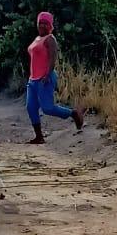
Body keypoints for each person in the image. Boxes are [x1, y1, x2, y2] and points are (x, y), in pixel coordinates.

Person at [25, 10, 84, 143]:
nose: (42, 26)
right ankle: (39, 137)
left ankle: (73, 113)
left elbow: (53, 58)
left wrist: (47, 74)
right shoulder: (37, 38)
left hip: (44, 78)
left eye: (45, 24)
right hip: (33, 79)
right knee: (30, 107)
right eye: (40, 23)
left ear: (50, 25)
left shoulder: (50, 39)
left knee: (48, 108)